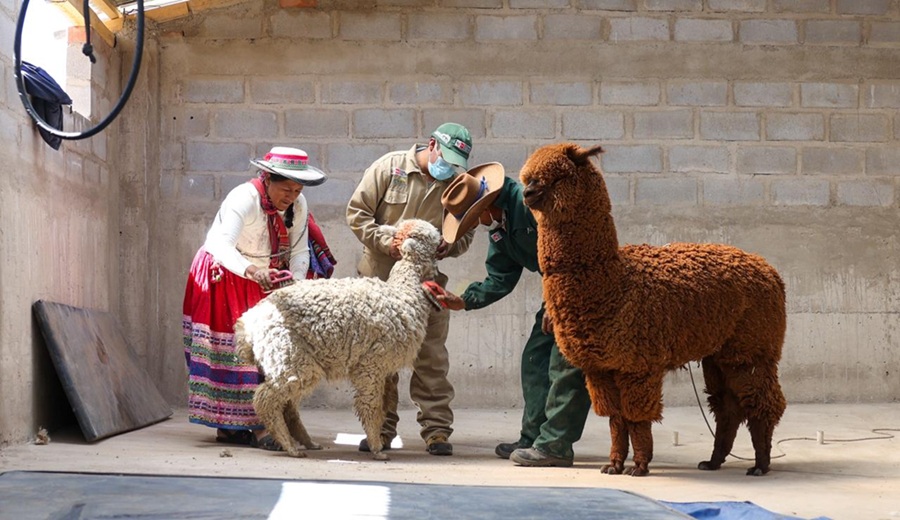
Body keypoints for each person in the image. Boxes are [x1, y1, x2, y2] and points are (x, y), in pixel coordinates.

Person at [436, 163, 592, 467]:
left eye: (473, 219)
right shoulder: (500, 226)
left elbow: (574, 247)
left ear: (485, 207)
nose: (476, 225)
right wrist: (464, 301)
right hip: (556, 292)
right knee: (535, 359)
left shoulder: (533, 204)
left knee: (565, 363)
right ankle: (533, 437)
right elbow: (500, 277)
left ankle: (556, 445)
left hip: (582, 285)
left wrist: (557, 300)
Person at [182, 146, 334, 450]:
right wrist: (251, 270)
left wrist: (296, 285)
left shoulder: (298, 205)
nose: (292, 196)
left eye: (297, 190)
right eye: (286, 189)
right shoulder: (243, 199)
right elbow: (222, 246)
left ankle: (257, 425)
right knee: (236, 353)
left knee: (266, 353)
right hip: (225, 274)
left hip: (262, 278)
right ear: (267, 178)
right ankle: (250, 429)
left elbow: (300, 250)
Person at [346, 122, 476, 456]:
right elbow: (357, 214)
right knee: (379, 360)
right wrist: (388, 242)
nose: (447, 167)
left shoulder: (457, 186)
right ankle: (380, 429)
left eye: (455, 163)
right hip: (378, 285)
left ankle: (437, 431)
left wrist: (449, 245)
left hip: (426, 287)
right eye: (445, 158)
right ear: (432, 145)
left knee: (431, 358)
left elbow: (466, 233)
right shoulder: (389, 168)